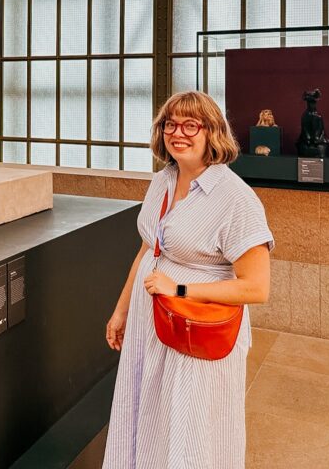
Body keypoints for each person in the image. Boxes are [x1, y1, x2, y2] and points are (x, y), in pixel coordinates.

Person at [102, 91, 273, 469]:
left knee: (190, 425)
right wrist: (121, 310)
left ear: (212, 133)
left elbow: (256, 288)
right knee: (148, 412)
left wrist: (178, 288)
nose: (178, 133)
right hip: (153, 320)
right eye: (170, 124)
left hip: (199, 327)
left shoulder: (235, 199)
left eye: (190, 125)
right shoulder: (162, 180)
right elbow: (149, 249)